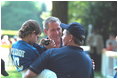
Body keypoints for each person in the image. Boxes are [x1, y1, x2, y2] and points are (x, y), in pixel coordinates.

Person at [24, 22, 93, 78]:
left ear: (70, 37)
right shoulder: (89, 61)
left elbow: (28, 75)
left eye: (63, 35)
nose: (61, 37)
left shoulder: (51, 53)